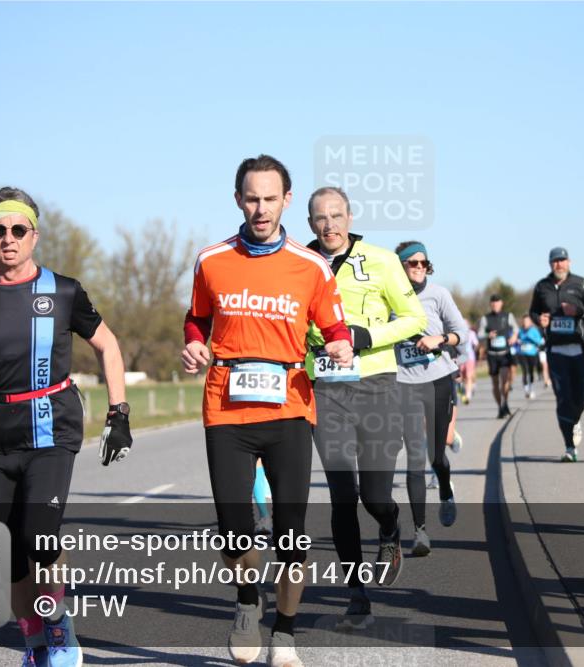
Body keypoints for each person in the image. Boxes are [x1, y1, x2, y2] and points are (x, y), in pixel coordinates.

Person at [0, 186, 132, 667]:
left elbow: (107, 345)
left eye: (18, 229)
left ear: (34, 235)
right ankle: (35, 645)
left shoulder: (63, 291)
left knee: (39, 537)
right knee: (9, 557)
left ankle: (61, 631)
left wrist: (119, 412)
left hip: (53, 429)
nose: (9, 238)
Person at [181, 155, 353, 666]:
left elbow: (336, 327)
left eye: (270, 198)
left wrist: (341, 346)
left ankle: (286, 633)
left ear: (287, 201)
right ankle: (246, 601)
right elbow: (196, 320)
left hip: (290, 407)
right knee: (234, 527)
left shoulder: (312, 265)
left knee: (291, 530)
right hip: (226, 408)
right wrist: (193, 345)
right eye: (252, 198)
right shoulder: (211, 260)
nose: (260, 208)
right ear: (238, 199)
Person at [304, 186, 427, 630]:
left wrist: (364, 337)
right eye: (320, 217)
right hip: (326, 390)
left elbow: (415, 320)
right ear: (310, 223)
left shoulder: (380, 260)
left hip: (376, 384)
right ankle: (355, 589)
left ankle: (391, 527)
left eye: (337, 215)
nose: (329, 224)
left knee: (374, 496)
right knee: (341, 496)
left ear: (350, 218)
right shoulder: (302, 263)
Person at [392, 240, 469, 557]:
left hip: (438, 379)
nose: (419, 268)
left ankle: (446, 491)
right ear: (401, 267)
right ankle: (420, 531)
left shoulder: (439, 294)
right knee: (413, 458)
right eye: (412, 263)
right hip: (404, 383)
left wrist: (441, 338)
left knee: (436, 456)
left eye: (424, 263)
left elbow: (461, 333)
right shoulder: (387, 299)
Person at [529, 247, 584, 462]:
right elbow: (533, 311)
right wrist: (538, 319)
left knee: (579, 399)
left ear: (569, 262)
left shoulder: (582, 284)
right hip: (555, 350)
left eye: (562, 260)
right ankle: (569, 447)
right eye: (554, 261)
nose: (558, 265)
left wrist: (579, 311)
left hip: (579, 348)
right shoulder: (542, 286)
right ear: (550, 264)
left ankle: (575, 420)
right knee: (562, 399)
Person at [478, 295, 518, 417]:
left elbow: (516, 328)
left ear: (502, 303)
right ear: (490, 304)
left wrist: (514, 337)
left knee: (504, 380)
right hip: (492, 354)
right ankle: (500, 407)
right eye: (493, 303)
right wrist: (487, 335)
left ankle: (505, 402)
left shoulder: (508, 316)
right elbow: (480, 334)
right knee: (495, 383)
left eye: (497, 302)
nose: (495, 305)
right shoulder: (485, 318)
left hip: (505, 353)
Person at [517, 314, 544, 399]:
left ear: (530, 322)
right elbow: (516, 339)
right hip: (522, 353)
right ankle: (526, 391)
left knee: (531, 371)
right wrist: (518, 341)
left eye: (527, 321)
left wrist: (531, 338)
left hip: (532, 354)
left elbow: (539, 341)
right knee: (524, 371)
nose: (525, 323)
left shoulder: (534, 330)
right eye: (524, 321)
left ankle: (531, 389)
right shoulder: (520, 330)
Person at [457, 321, 480, 404]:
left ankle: (468, 395)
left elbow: (476, 344)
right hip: (460, 358)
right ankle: (466, 389)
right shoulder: (456, 334)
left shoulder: (471, 333)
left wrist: (474, 352)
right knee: (461, 377)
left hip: (470, 358)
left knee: (468, 376)